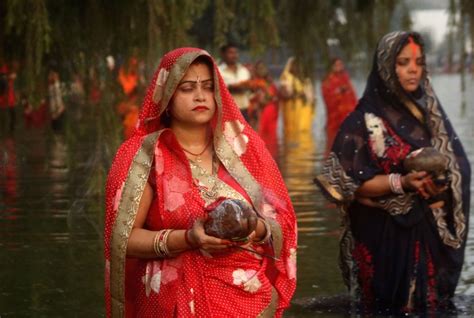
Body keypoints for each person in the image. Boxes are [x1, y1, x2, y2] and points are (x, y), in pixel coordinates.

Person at [104, 48, 297, 317]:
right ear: (167, 96)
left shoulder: (243, 148)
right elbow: (122, 240)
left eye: (208, 87)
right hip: (174, 302)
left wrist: (258, 229)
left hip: (248, 298)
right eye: (187, 88)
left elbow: (283, 219)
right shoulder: (145, 155)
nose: (200, 96)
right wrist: (187, 239)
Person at [314, 31, 470, 314]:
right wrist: (402, 183)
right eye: (403, 62)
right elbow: (345, 183)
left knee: (426, 307)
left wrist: (439, 187)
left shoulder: (428, 117)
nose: (414, 69)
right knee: (384, 308)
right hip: (381, 235)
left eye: (419, 62)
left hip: (426, 230)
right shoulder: (361, 120)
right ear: (386, 66)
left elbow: (457, 166)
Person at [321, 58, 357, 151]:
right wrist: (338, 92)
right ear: (331, 67)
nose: (339, 67)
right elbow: (327, 98)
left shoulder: (345, 78)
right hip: (335, 119)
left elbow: (353, 97)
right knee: (333, 146)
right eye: (336, 65)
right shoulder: (328, 81)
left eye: (340, 64)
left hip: (348, 117)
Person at [279, 57, 315, 141]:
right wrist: (298, 94)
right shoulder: (286, 77)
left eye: (298, 65)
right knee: (292, 133)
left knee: (304, 133)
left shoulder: (305, 80)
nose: (297, 67)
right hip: (292, 110)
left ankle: (305, 152)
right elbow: (284, 93)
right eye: (294, 65)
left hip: (305, 110)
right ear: (290, 66)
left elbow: (311, 97)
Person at [248, 61, 279, 156]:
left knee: (271, 137)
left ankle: (271, 158)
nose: (262, 70)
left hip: (272, 112)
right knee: (259, 135)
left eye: (263, 68)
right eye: (259, 68)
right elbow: (257, 99)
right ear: (256, 70)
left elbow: (276, 97)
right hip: (260, 111)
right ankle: (261, 156)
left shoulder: (270, 83)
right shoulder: (254, 82)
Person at [218, 43, 252, 122]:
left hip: (244, 110)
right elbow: (216, 89)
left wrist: (248, 87)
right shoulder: (218, 70)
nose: (234, 55)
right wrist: (230, 88)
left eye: (236, 52)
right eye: (230, 52)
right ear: (224, 54)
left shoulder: (244, 70)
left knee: (244, 134)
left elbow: (250, 87)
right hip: (227, 111)